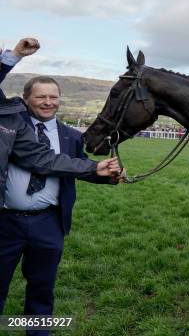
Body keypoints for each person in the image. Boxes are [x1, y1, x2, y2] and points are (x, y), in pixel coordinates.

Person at [0, 39, 121, 326]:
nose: (48, 102)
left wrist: (108, 174)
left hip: (48, 223)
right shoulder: (12, 120)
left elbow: (78, 168)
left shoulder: (71, 136)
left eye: (53, 97)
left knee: (42, 289)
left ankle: (38, 331)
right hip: (5, 221)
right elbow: (43, 160)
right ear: (25, 99)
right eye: (41, 97)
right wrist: (13, 56)